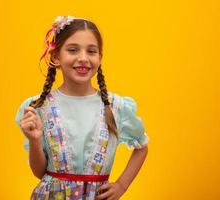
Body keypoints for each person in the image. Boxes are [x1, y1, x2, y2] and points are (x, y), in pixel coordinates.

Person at [15, 15, 149, 200]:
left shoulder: (115, 107)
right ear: (56, 56)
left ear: (100, 58)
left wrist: (121, 185)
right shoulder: (40, 107)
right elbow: (39, 173)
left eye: (91, 51)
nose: (83, 58)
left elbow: (142, 146)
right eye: (72, 50)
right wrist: (35, 140)